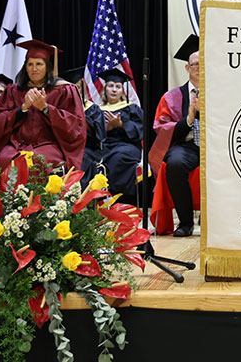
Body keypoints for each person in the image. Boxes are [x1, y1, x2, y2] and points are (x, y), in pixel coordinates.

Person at [0, 40, 86, 171]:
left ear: (47, 67)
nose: (34, 69)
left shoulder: (64, 90)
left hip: (49, 145)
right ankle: (7, 193)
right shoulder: (13, 91)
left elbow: (76, 126)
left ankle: (37, 193)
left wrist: (46, 108)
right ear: (25, 67)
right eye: (30, 64)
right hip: (16, 145)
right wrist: (22, 109)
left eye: (39, 64)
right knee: (4, 159)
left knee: (37, 161)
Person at [148, 34, 201, 237]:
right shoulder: (172, 97)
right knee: (175, 163)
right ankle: (186, 223)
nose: (199, 69)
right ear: (187, 68)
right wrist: (189, 118)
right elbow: (162, 127)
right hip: (186, 145)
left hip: (214, 144)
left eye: (203, 64)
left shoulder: (220, 92)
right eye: (195, 65)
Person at [98, 68, 144, 201]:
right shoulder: (97, 110)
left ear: (123, 91)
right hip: (104, 146)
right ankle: (99, 199)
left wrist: (121, 125)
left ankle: (119, 198)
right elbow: (91, 133)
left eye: (118, 87)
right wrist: (107, 127)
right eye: (110, 86)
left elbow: (140, 130)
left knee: (119, 157)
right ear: (105, 89)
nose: (114, 90)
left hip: (127, 145)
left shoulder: (131, 108)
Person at [61, 66, 106, 186]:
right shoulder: (60, 110)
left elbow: (100, 135)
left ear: (83, 89)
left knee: (80, 159)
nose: (75, 91)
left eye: (78, 87)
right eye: (72, 88)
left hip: (88, 149)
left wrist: (81, 119)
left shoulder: (92, 109)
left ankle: (78, 199)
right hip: (65, 148)